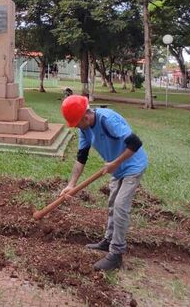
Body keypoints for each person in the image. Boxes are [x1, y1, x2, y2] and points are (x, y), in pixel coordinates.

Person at [59, 95, 148, 271]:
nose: (76, 127)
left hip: (133, 165)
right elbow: (81, 156)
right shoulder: (84, 130)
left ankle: (116, 254)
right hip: (117, 169)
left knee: (121, 206)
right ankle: (108, 240)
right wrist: (71, 184)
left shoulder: (108, 119)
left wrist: (115, 163)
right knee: (112, 204)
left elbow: (135, 143)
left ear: (85, 117)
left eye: (77, 123)